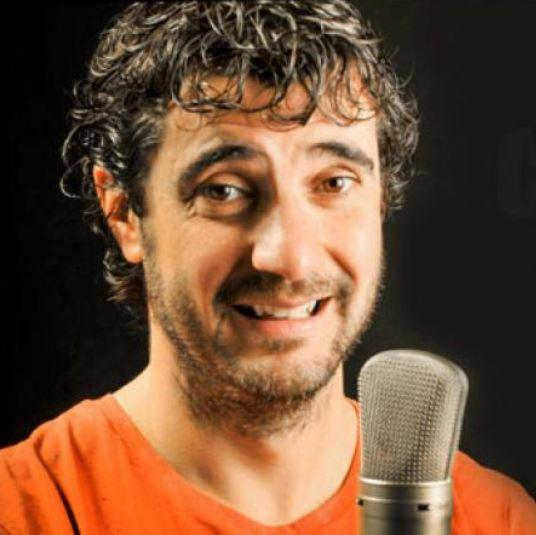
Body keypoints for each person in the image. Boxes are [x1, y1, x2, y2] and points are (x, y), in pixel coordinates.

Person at [0, 1, 534, 534]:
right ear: (124, 214)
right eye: (224, 190)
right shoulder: (29, 509)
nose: (290, 258)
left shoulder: (500, 519)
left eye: (334, 182)